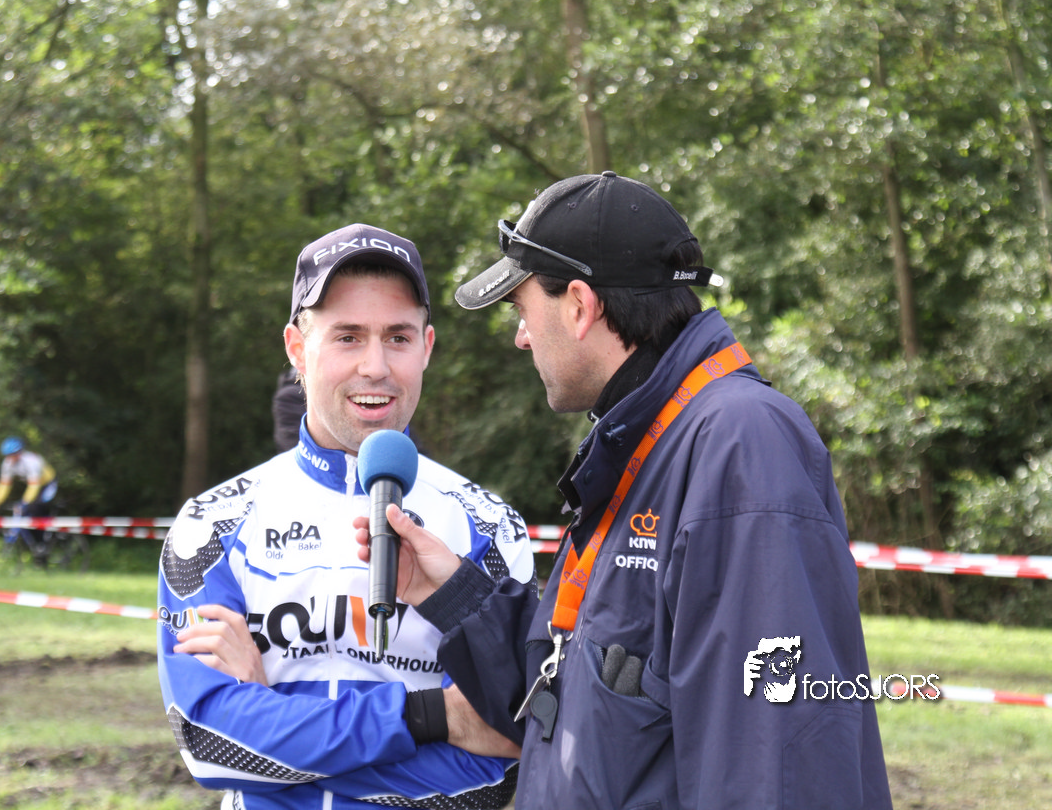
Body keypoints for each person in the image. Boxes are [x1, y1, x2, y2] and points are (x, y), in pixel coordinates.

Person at [355, 172, 894, 809]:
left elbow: (775, 759)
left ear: (580, 306)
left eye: (522, 311)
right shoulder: (643, 440)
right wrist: (448, 590)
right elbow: (582, 699)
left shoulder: (740, 443)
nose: (521, 336)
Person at [156, 223, 535, 810]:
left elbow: (494, 775)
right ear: (296, 348)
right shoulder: (213, 523)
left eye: (398, 337)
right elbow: (209, 743)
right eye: (348, 337)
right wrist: (435, 716)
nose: (375, 366)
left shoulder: (489, 527)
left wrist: (272, 728)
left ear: (428, 347)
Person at [0, 436, 58, 517]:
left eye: (12, 455)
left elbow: (34, 486)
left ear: (19, 453)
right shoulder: (7, 463)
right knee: (26, 508)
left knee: (39, 505)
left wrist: (25, 502)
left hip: (48, 483)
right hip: (34, 484)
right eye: (8, 455)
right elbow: (4, 485)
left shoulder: (32, 461)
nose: (10, 458)